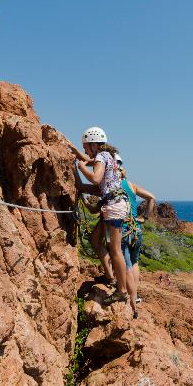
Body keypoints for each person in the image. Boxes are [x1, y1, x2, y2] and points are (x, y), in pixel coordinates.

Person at [73, 127, 130, 304]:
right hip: (115, 204)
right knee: (95, 239)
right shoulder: (107, 156)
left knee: (115, 250)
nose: (84, 151)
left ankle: (121, 291)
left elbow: (96, 179)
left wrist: (81, 167)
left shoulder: (101, 156)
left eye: (85, 147)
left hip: (113, 206)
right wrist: (77, 159)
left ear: (93, 144)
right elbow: (89, 168)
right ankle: (110, 277)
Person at [118, 164, 155, 318]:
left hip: (123, 229)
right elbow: (151, 197)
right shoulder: (131, 185)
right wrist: (144, 217)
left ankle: (132, 302)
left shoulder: (112, 184)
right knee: (134, 262)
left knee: (126, 266)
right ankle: (136, 296)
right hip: (136, 229)